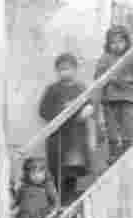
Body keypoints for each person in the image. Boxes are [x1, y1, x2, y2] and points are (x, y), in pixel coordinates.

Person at [38, 52, 95, 205]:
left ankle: (68, 199)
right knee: (57, 171)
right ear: (57, 71)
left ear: (75, 70)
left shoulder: (81, 88)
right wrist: (61, 111)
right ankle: (56, 201)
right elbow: (43, 110)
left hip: (75, 138)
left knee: (72, 170)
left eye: (68, 68)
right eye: (61, 69)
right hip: (58, 137)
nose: (65, 72)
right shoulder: (52, 89)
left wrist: (87, 110)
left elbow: (89, 104)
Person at [94, 25, 133, 163]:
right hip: (109, 99)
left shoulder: (131, 57)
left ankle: (127, 151)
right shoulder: (105, 58)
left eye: (120, 42)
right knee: (111, 127)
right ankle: (114, 153)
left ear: (126, 42)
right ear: (108, 44)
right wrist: (107, 78)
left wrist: (127, 80)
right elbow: (97, 76)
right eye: (113, 42)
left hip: (127, 98)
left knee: (127, 125)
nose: (116, 45)